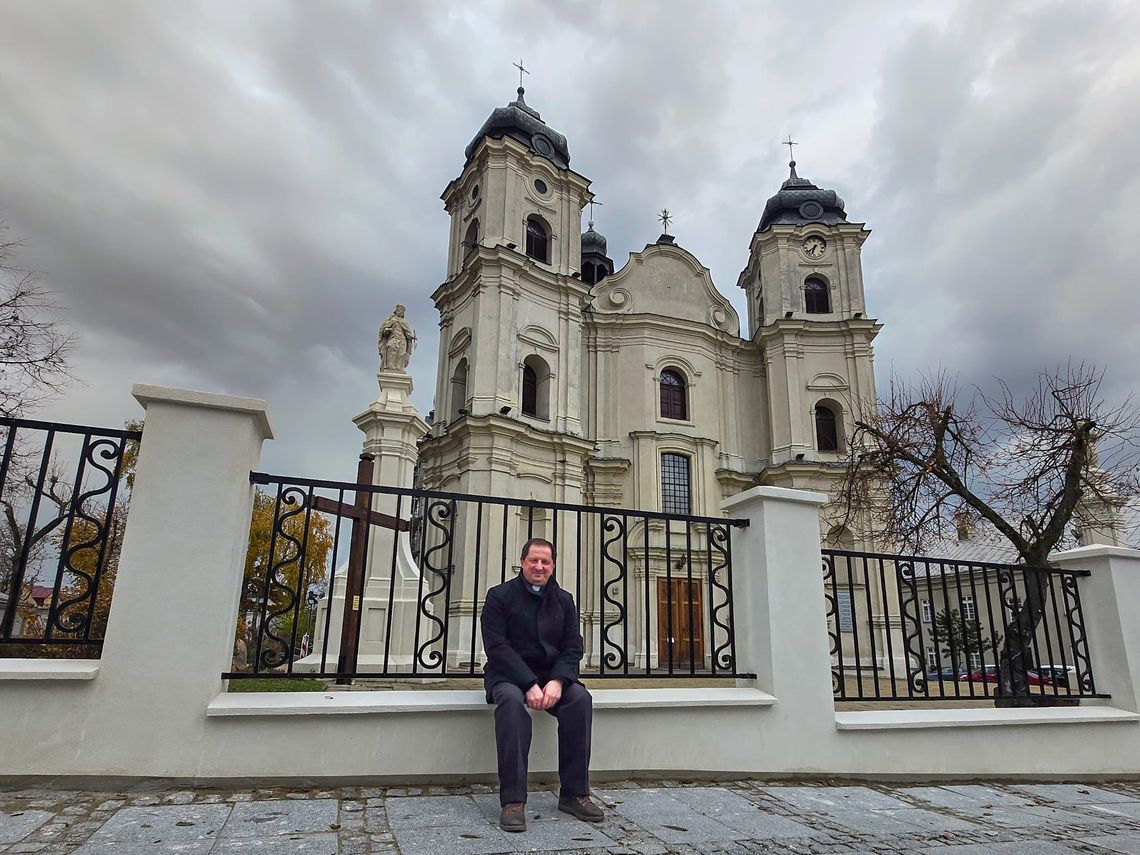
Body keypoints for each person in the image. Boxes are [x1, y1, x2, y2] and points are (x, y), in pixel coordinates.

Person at [480, 537, 604, 833]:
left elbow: (573, 646)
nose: (539, 566)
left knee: (579, 700)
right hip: (509, 675)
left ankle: (574, 793)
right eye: (533, 560)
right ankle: (513, 801)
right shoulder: (499, 596)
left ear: (552, 565)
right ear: (522, 563)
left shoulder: (564, 599)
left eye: (545, 562)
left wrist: (560, 681)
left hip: (552, 676)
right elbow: (497, 646)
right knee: (511, 704)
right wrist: (530, 683)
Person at [377, 304, 415, 372]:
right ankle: (389, 367)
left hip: (402, 340)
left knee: (401, 354)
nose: (400, 312)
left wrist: (411, 336)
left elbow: (407, 332)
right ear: (396, 311)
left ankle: (398, 368)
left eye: (402, 311)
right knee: (390, 349)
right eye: (399, 310)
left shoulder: (404, 322)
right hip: (393, 338)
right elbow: (383, 330)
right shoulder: (391, 319)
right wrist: (387, 330)